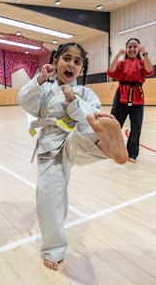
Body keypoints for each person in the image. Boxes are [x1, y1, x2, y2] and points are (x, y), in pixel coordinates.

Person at [18, 42, 128, 271]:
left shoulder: (86, 93)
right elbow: (25, 102)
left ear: (81, 70)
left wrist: (73, 102)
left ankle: (109, 146)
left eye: (78, 62)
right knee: (49, 198)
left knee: (90, 123)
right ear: (55, 61)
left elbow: (93, 116)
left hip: (75, 141)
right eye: (67, 58)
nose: (72, 64)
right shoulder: (45, 88)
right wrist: (39, 79)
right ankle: (53, 248)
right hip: (50, 148)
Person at [106, 38, 154, 163]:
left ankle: (131, 154)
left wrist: (145, 53)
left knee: (136, 126)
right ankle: (111, 150)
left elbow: (149, 70)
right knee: (115, 124)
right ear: (126, 49)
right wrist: (117, 55)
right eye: (129, 47)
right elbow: (110, 71)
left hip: (137, 96)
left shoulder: (142, 62)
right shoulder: (121, 64)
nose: (132, 49)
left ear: (138, 49)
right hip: (121, 95)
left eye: (135, 47)